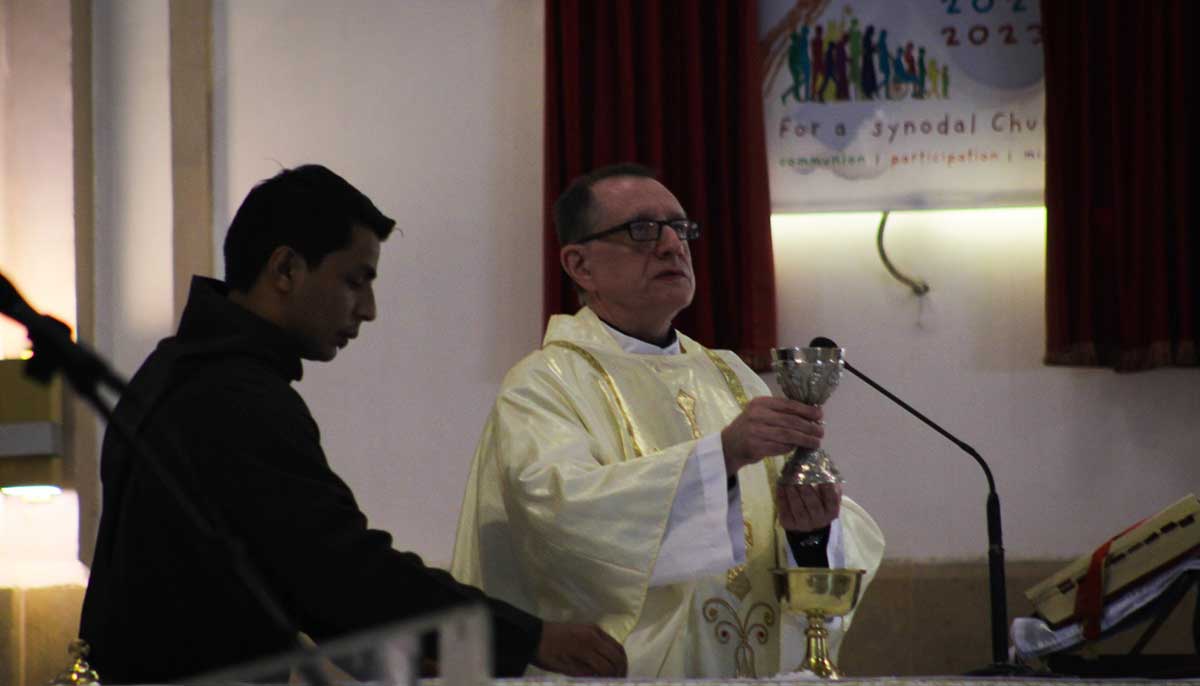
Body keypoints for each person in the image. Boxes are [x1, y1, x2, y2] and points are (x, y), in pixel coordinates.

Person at [79, 165, 626, 683]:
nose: (368, 309)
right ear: (286, 269)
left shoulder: (171, 370)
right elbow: (339, 571)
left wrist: (417, 648)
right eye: (354, 281)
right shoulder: (233, 395)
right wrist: (528, 637)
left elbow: (295, 577)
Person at [451, 164, 884, 678]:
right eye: (641, 230)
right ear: (579, 265)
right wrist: (721, 456)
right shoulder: (544, 383)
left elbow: (795, 533)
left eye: (680, 228)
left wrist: (809, 533)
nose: (670, 245)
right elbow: (557, 521)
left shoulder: (731, 376)